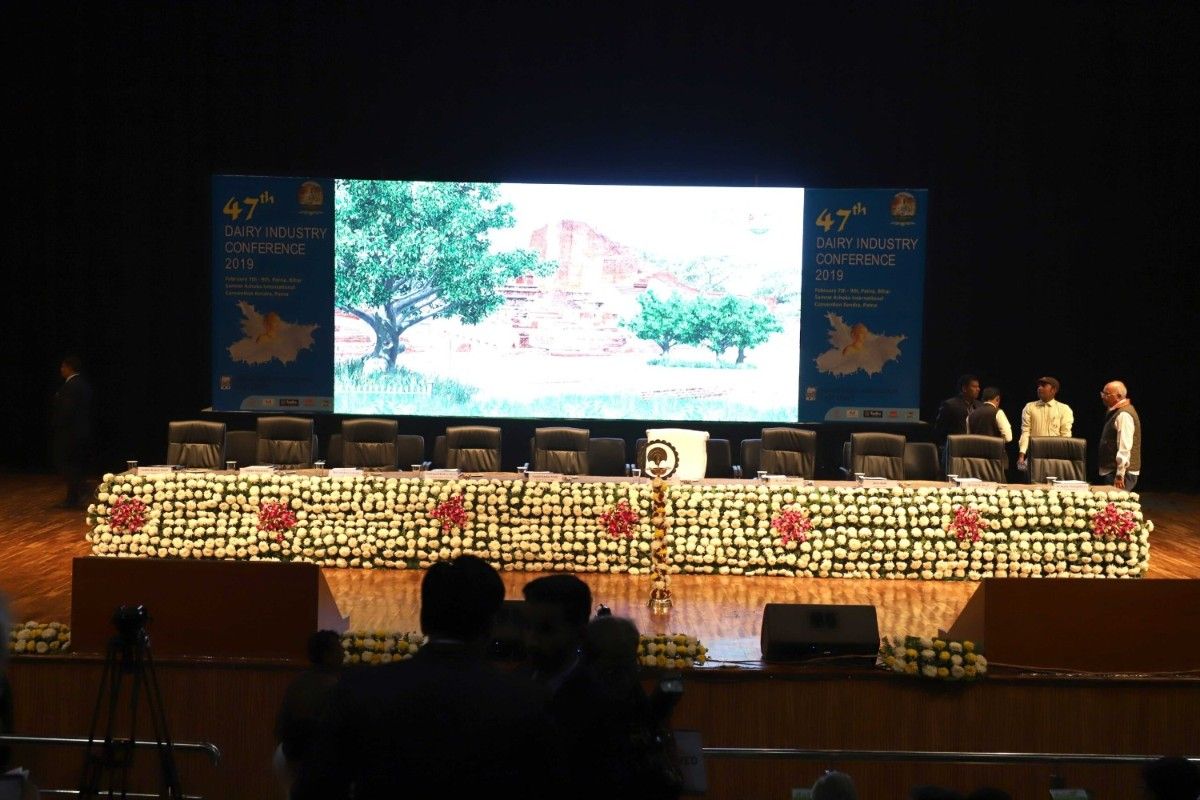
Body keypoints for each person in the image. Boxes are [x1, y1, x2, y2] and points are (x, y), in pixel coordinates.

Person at [291, 556, 564, 799]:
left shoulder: (361, 690)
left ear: (423, 619)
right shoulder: (526, 699)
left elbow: (316, 788)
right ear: (492, 623)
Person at [273, 630, 344, 796]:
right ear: (328, 655)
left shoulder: (301, 680)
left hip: (287, 755)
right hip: (305, 759)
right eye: (339, 648)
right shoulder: (329, 687)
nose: (343, 653)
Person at [51, 355, 93, 509]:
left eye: (63, 366)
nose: (61, 369)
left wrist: (57, 424)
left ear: (69, 367)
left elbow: (66, 411)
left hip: (70, 433)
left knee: (68, 464)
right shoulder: (84, 384)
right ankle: (75, 496)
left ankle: (78, 493)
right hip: (81, 431)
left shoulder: (71, 386)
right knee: (75, 464)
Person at [1016, 376, 1073, 472]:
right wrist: (1021, 455)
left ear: (1053, 390)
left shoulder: (1064, 409)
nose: (1039, 388)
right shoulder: (1030, 407)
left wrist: (1062, 458)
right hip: (1034, 455)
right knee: (1030, 479)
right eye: (1039, 385)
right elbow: (1025, 432)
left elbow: (1066, 436)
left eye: (1043, 385)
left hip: (1055, 456)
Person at [1098, 380, 1141, 491]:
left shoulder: (1124, 414)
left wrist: (1120, 474)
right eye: (1102, 393)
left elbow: (1124, 446)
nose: (1103, 397)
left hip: (1120, 473)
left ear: (1118, 396)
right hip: (1114, 470)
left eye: (1107, 394)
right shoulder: (1115, 411)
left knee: (1117, 501)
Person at [933, 374, 981, 445]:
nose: (978, 389)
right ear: (964, 389)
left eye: (978, 386)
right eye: (974, 386)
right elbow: (939, 430)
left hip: (976, 444)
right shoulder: (950, 405)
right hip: (956, 445)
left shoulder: (980, 406)